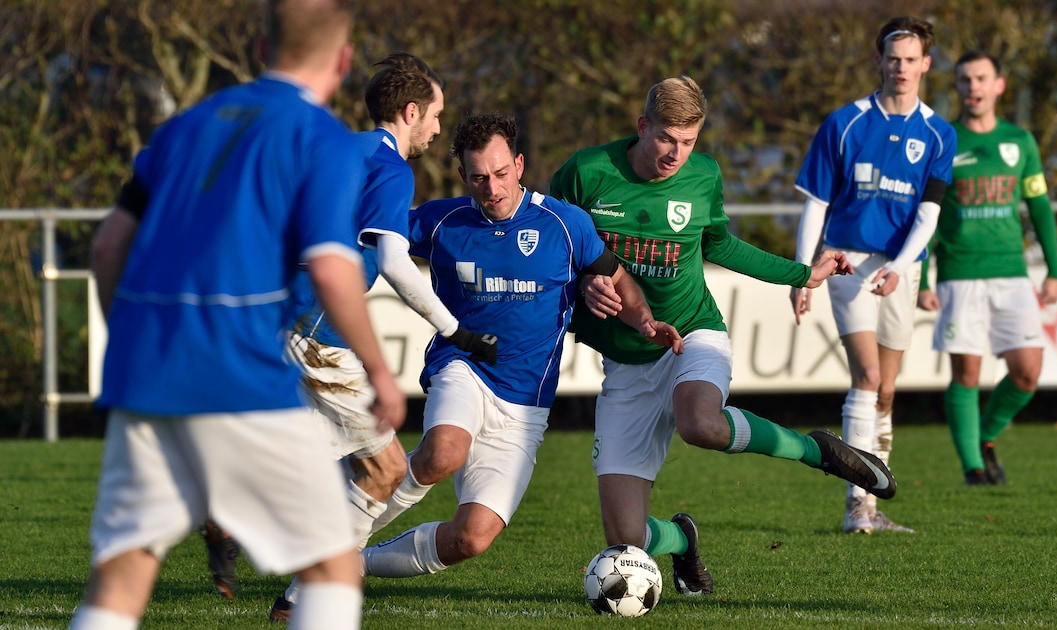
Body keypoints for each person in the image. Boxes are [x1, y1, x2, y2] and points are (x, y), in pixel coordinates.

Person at [70, 0, 404, 628]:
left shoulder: (184, 127)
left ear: (259, 49)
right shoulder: (322, 139)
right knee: (331, 568)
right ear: (343, 59)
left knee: (120, 582)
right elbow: (334, 269)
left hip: (147, 378)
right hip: (239, 377)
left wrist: (136, 340)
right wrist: (382, 375)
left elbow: (109, 246)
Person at [549, 75, 895, 598]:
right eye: (666, 138)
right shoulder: (586, 172)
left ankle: (815, 450)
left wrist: (805, 274)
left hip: (693, 332)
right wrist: (583, 284)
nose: (676, 153)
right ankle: (681, 539)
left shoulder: (703, 175)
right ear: (643, 127)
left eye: (689, 141)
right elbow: (552, 250)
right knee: (625, 541)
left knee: (700, 424)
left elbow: (722, 246)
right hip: (626, 361)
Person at [357, 112, 683, 585]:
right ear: (463, 177)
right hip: (464, 366)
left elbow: (614, 277)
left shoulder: (566, 224)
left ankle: (353, 563)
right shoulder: (442, 221)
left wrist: (646, 321)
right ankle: (337, 544)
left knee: (472, 538)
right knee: (441, 453)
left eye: (501, 173)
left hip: (525, 404)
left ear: (520, 164)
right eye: (479, 178)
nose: (492, 188)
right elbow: (373, 236)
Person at [257, 52, 501, 622]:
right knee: (386, 468)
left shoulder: (338, 149)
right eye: (435, 115)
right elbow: (392, 258)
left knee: (323, 470)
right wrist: (454, 329)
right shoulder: (392, 168)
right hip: (316, 336)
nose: (439, 129)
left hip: (279, 318)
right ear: (410, 111)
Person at [791, 16, 956, 535]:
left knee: (886, 390)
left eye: (911, 59)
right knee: (866, 378)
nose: (901, 68)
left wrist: (902, 268)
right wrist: (803, 275)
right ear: (879, 61)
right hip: (845, 261)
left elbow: (929, 215)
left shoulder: (938, 134)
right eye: (893, 58)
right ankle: (856, 506)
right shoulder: (845, 123)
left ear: (925, 64)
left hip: (899, 267)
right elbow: (815, 205)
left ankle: (874, 499)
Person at [916, 50, 1057, 486]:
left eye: (981, 78)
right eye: (964, 80)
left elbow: (1039, 207)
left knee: (1027, 373)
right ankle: (973, 470)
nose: (973, 87)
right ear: (957, 87)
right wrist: (923, 278)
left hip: (1013, 275)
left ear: (999, 85)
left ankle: (986, 436)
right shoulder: (944, 140)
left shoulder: (1020, 142)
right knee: (967, 375)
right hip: (960, 275)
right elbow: (927, 216)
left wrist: (1054, 269)